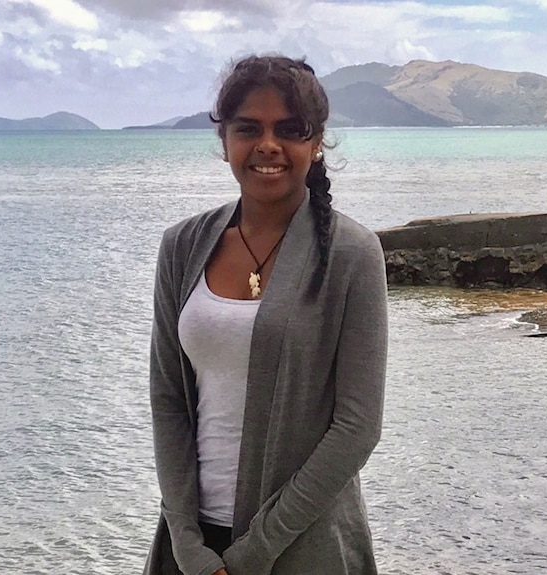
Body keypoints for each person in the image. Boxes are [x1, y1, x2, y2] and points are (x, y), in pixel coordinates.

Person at [144, 54, 388, 575]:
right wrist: (187, 543)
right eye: (248, 128)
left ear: (317, 141)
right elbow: (168, 401)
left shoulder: (350, 254)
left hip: (305, 544)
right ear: (225, 140)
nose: (268, 145)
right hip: (196, 549)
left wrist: (255, 552)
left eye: (289, 129)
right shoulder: (183, 247)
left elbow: (357, 427)